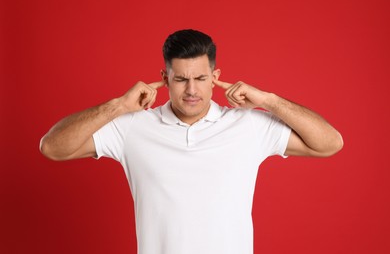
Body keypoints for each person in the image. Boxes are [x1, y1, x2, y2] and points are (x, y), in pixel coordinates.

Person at [40, 29, 343, 254]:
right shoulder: (133, 127)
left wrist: (269, 100)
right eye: (181, 79)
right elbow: (52, 148)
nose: (191, 90)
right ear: (165, 77)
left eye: (200, 78)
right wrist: (118, 105)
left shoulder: (247, 125)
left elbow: (330, 143)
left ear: (215, 77)